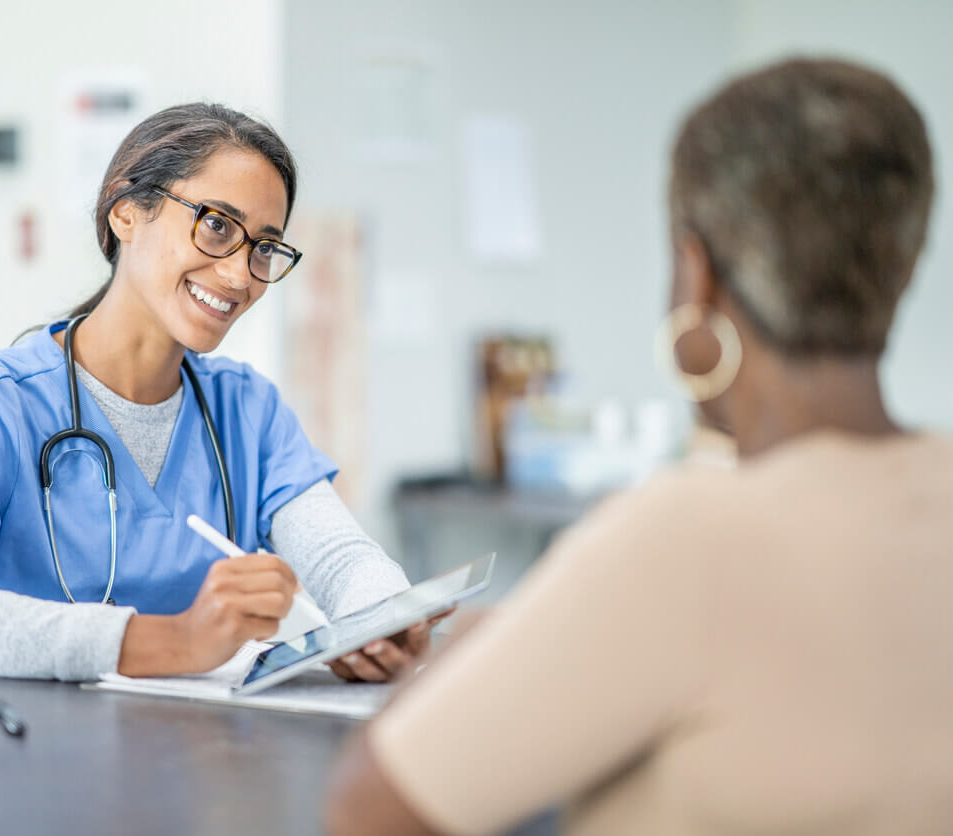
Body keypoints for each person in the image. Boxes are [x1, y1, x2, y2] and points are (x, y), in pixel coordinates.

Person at [326, 58, 953, 835]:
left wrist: (462, 668)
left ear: (698, 277)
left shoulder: (689, 534)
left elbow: (368, 810)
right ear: (902, 261)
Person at [0, 103, 431, 682]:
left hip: (201, 755)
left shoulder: (247, 411)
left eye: (264, 247)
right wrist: (173, 642)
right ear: (126, 212)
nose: (240, 276)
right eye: (217, 225)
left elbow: (341, 559)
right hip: (30, 752)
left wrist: (383, 618)